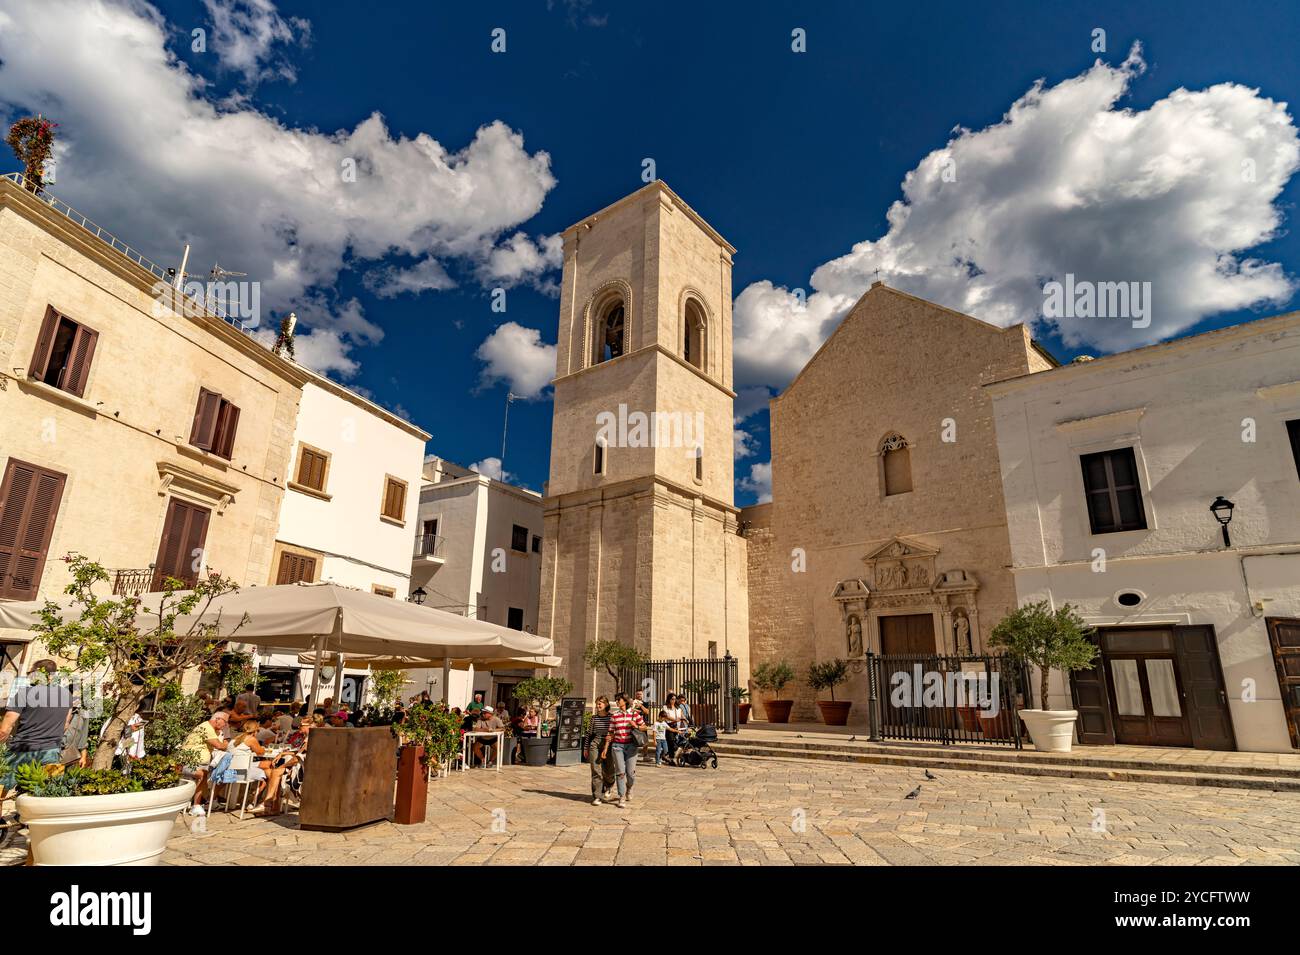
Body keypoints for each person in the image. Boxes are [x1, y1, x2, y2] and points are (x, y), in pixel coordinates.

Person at [0, 659, 73, 795]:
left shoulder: (24, 693)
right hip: (52, 751)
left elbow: (6, 727)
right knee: (50, 792)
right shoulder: (66, 695)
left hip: (21, 750)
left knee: (1, 788)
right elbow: (65, 725)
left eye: (30, 672)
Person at [181, 710, 230, 805]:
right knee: (203, 774)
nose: (225, 725)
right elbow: (219, 746)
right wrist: (226, 743)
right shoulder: (207, 728)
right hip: (190, 764)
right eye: (225, 722)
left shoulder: (211, 729)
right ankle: (200, 803)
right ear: (217, 719)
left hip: (200, 763)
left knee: (226, 774)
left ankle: (207, 800)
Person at [608, 693, 646, 808]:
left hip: (631, 746)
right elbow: (611, 731)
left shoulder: (634, 714)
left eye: (618, 700)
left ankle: (629, 788)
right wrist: (606, 746)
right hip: (617, 746)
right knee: (620, 772)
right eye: (616, 700)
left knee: (630, 774)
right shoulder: (614, 716)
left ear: (625, 700)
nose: (617, 702)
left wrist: (636, 726)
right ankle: (621, 797)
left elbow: (644, 727)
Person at [587, 696, 615, 805]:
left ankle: (609, 785)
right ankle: (597, 796)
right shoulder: (594, 718)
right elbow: (589, 734)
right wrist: (586, 748)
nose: (598, 706)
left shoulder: (611, 717)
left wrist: (611, 739)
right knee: (595, 769)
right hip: (595, 742)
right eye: (597, 704)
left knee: (608, 769)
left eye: (600, 704)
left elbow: (614, 732)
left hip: (608, 743)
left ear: (606, 705)